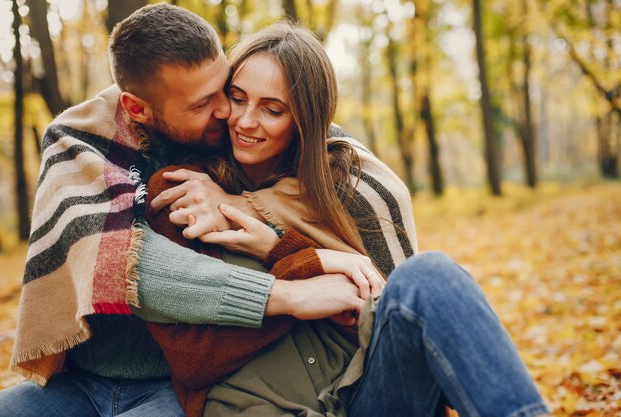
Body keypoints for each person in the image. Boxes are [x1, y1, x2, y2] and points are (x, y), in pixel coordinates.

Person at [0, 5, 401, 417]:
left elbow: (330, 148)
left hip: (180, 389)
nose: (229, 112)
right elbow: (124, 267)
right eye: (207, 102)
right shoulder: (84, 142)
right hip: (82, 379)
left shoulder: (238, 131)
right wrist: (287, 295)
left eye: (225, 88)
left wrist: (253, 212)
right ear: (137, 109)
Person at [142, 24, 550, 417]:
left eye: (273, 109)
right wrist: (297, 298)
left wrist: (276, 248)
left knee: (430, 275)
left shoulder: (342, 187)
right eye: (238, 97)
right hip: (263, 407)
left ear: (305, 121)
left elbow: (370, 315)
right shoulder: (184, 191)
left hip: (364, 395)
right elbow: (192, 359)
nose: (246, 121)